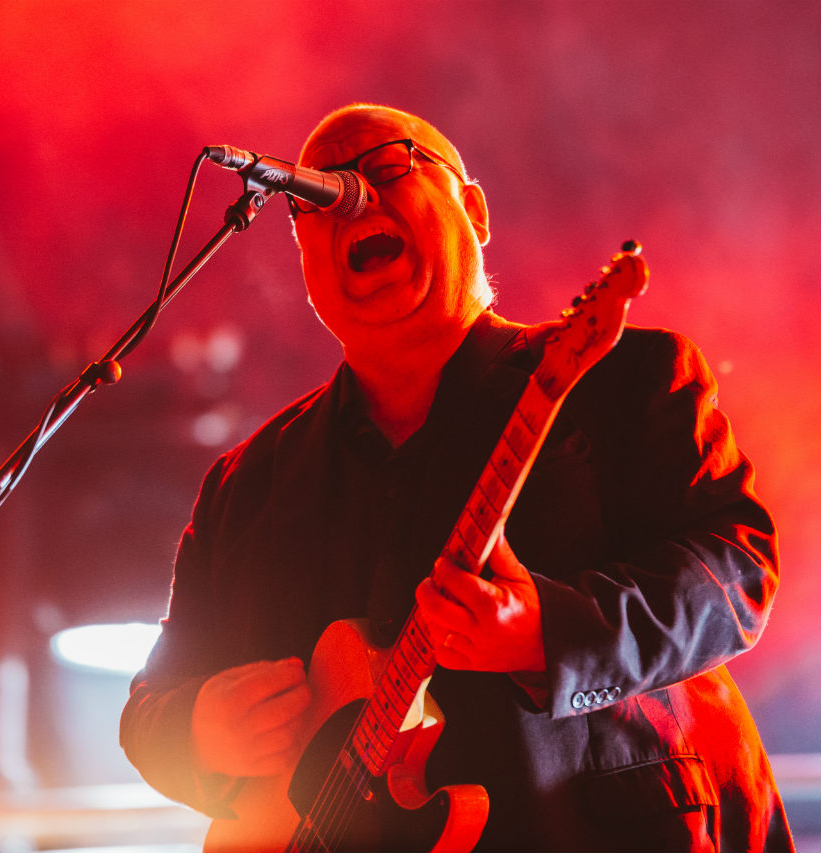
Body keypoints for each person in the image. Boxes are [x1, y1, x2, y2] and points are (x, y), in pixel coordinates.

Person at [119, 103, 794, 851]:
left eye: (387, 168)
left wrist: (549, 631)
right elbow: (152, 699)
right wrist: (198, 734)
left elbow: (736, 571)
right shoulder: (245, 486)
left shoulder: (620, 379)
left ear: (473, 209)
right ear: (303, 257)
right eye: (318, 195)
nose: (354, 198)